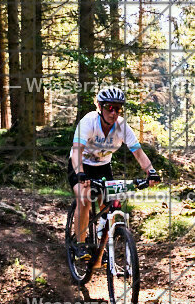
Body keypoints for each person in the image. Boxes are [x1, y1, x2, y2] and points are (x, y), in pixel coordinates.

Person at [68, 85, 160, 261]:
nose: (114, 112)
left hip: (102, 166)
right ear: (100, 107)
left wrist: (151, 172)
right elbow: (77, 150)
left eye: (118, 108)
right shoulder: (89, 121)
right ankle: (80, 244)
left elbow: (138, 152)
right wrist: (80, 173)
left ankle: (103, 247)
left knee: (109, 205)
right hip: (80, 164)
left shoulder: (121, 126)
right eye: (110, 107)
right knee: (85, 199)